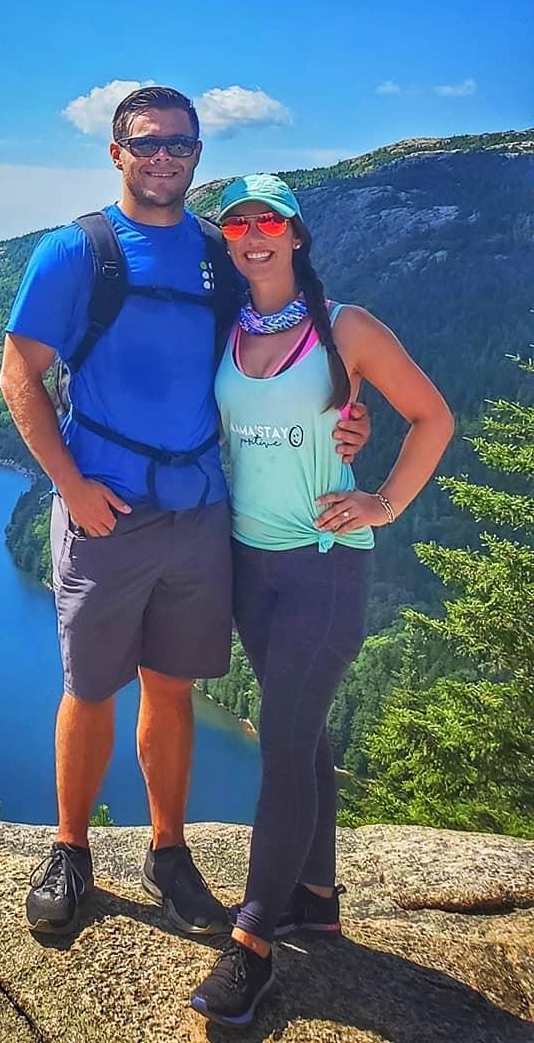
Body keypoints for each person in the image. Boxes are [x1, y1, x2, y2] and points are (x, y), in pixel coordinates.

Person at [0, 86, 368, 940]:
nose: (164, 157)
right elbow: (20, 374)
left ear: (198, 155)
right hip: (106, 509)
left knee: (171, 688)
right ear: (116, 152)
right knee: (90, 688)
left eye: (181, 144)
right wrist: (69, 487)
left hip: (201, 511)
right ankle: (71, 851)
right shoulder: (76, 251)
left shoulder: (217, 251)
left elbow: (294, 333)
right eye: (147, 142)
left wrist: (353, 406)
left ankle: (170, 854)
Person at [188, 175, 453, 1028]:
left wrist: (385, 501)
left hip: (324, 564)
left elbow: (433, 418)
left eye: (270, 221)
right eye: (238, 223)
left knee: (286, 744)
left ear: (297, 235)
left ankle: (254, 945)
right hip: (250, 562)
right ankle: (316, 896)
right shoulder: (230, 330)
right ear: (227, 241)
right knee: (294, 734)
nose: (253, 235)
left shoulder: (346, 328)